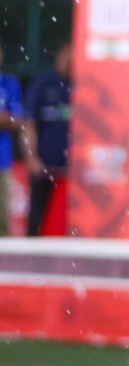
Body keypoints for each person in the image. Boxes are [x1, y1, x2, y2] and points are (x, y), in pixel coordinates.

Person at [17, 44, 71, 237]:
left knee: (71, 221)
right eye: (67, 55)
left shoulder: (81, 84)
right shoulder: (43, 84)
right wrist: (31, 157)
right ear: (58, 56)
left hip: (71, 169)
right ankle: (30, 259)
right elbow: (28, 124)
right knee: (36, 219)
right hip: (44, 164)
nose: (70, 60)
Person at [0, 42, 25, 236]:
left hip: (2, 160)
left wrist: (6, 119)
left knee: (2, 219)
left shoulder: (9, 83)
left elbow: (16, 120)